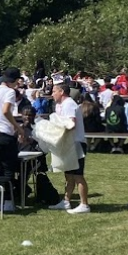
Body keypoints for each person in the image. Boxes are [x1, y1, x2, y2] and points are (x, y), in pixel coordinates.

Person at [0, 67, 25, 213]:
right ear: (14, 81)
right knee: (8, 168)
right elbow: (6, 110)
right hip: (4, 134)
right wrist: (17, 127)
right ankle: (7, 202)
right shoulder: (9, 92)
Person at [49, 84, 90, 214]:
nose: (52, 94)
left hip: (76, 143)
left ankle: (84, 204)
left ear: (62, 92)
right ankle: (66, 201)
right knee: (68, 175)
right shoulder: (59, 105)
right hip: (67, 144)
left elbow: (71, 124)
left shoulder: (69, 104)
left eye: (54, 91)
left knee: (78, 176)